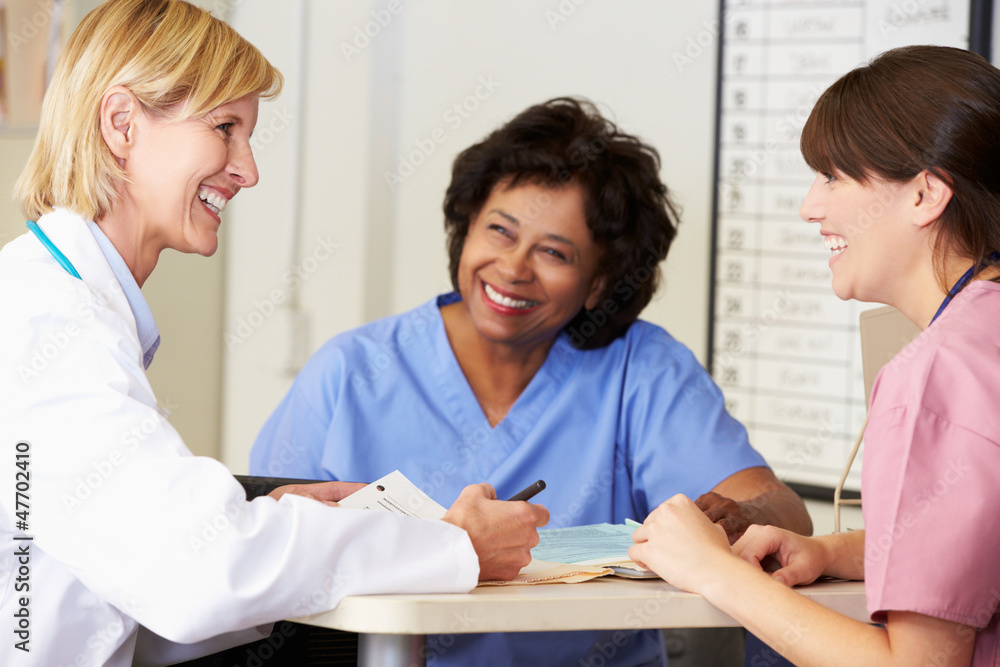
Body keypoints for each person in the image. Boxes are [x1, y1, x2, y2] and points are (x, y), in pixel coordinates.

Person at [0, 2, 547, 666]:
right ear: (121, 123)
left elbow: (120, 586)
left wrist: (266, 514)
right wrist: (454, 547)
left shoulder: (59, 305)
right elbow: (196, 571)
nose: (248, 170)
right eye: (225, 127)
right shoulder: (47, 321)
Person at [251, 96, 812, 666]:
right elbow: (267, 549)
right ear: (467, 227)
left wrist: (740, 518)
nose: (514, 267)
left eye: (553, 251)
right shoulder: (350, 370)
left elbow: (783, 511)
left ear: (599, 282)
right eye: (499, 230)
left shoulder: (641, 368)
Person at [629, 45, 1000, 666]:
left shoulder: (933, 376)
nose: (811, 207)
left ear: (924, 195)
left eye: (833, 176)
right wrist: (832, 551)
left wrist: (713, 572)